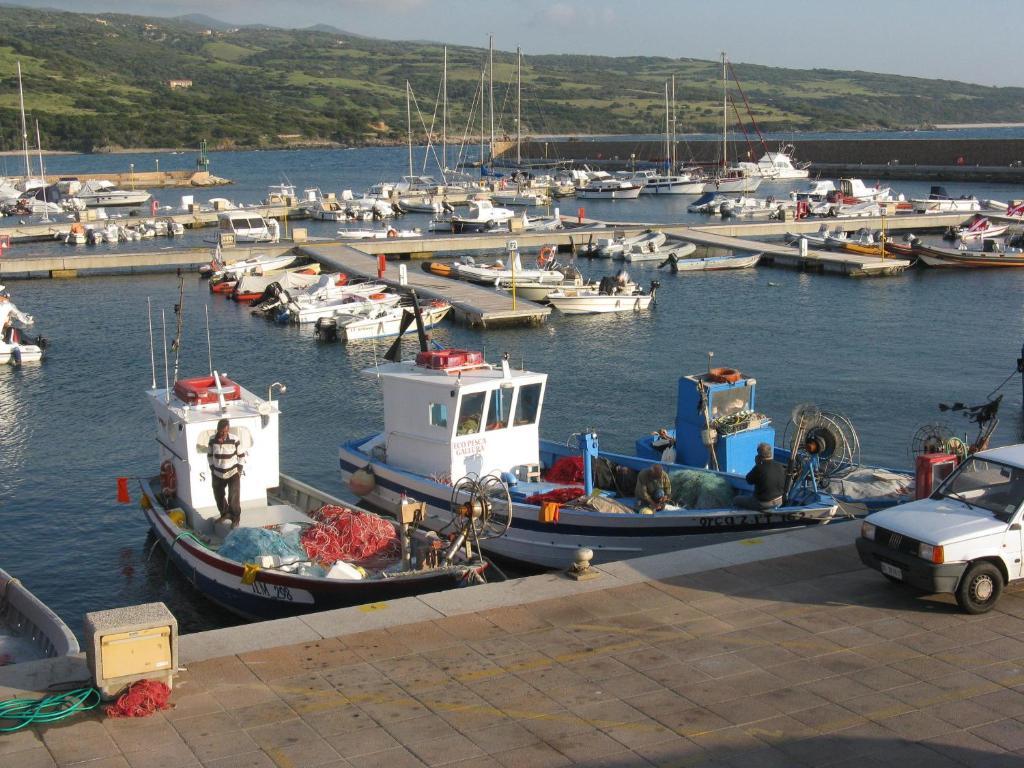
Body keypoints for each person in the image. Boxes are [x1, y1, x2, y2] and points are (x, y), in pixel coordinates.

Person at [208, 418, 246, 528]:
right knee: (218, 496)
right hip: (217, 474)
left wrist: (239, 469)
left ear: (228, 430)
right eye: (221, 432)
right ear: (218, 430)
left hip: (232, 473)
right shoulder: (212, 440)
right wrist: (212, 468)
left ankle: (235, 517)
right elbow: (209, 455)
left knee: (233, 497)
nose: (223, 434)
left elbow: (241, 455)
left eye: (225, 432)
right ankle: (225, 514)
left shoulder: (234, 439)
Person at [735, 443, 785, 511]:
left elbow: (748, 480)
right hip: (779, 501)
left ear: (759, 456)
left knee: (736, 500)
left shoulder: (759, 467)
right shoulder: (779, 465)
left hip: (764, 503)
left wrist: (757, 464)